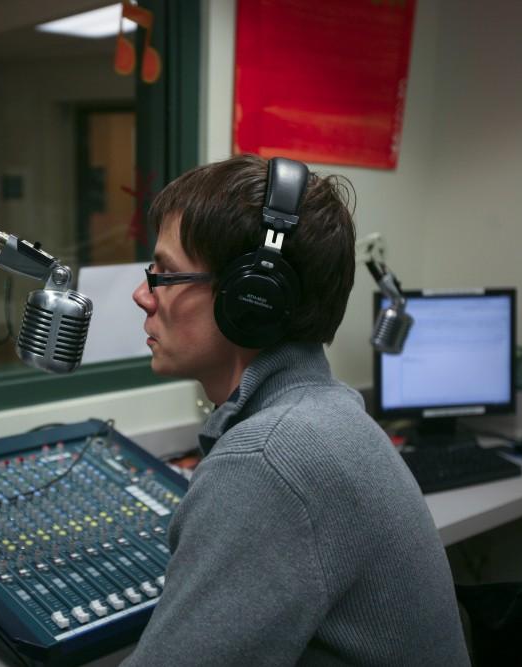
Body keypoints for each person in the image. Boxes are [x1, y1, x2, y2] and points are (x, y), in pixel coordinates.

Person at [123, 154, 470, 666]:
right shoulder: (328, 412)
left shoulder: (266, 460)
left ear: (251, 297)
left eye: (166, 274)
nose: (141, 294)